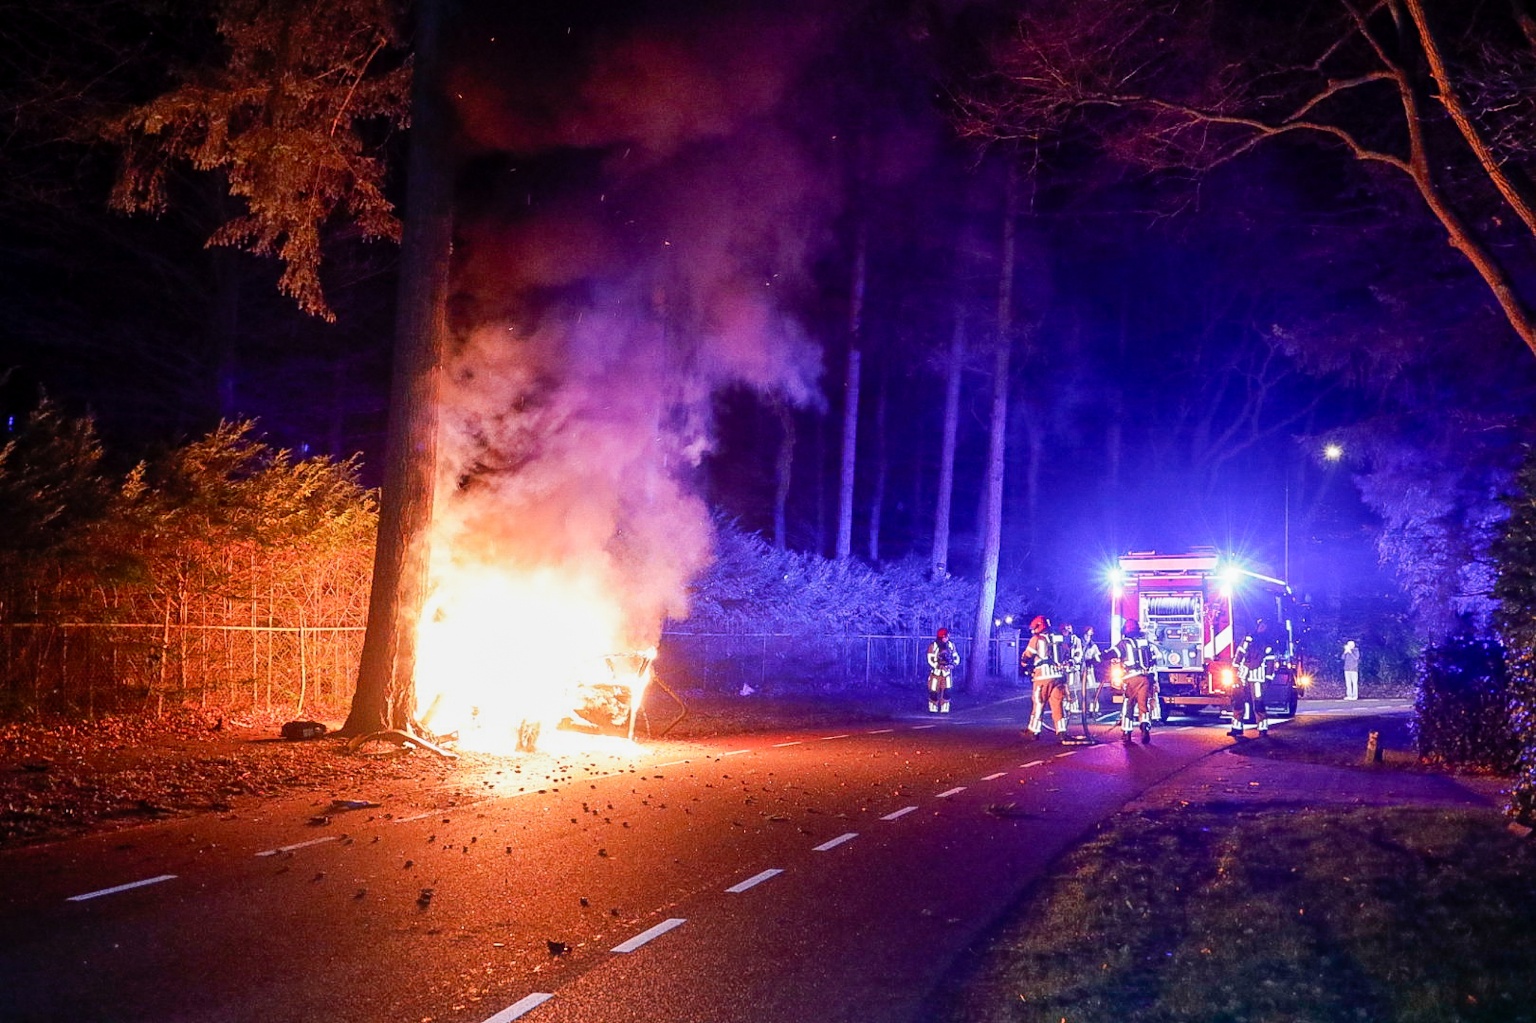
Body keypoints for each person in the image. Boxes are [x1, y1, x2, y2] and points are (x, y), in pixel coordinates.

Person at [1022, 615, 1069, 739]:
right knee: (1057, 704)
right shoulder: (1058, 638)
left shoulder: (1037, 639)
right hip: (1059, 677)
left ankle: (1033, 731)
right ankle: (1061, 732)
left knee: (1039, 703)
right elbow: (1066, 653)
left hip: (1043, 678)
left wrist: (1024, 664)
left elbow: (1027, 655)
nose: (1032, 631)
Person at [1113, 619, 1157, 743]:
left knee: (1128, 704)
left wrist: (1095, 660)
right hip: (1145, 678)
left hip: (1130, 679)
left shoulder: (1124, 643)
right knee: (1143, 705)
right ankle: (1145, 727)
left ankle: (1127, 733)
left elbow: (1112, 653)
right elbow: (1154, 660)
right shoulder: (1145, 643)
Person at [1229, 626, 1273, 738]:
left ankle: (1262, 729)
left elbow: (1270, 663)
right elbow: (1239, 653)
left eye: (1264, 626)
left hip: (1257, 678)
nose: (1262, 628)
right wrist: (1235, 669)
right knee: (1238, 701)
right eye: (1260, 626)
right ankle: (1236, 728)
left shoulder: (1268, 643)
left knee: (1258, 703)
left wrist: (1268, 679)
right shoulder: (1248, 639)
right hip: (1243, 675)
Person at [926, 627, 960, 713]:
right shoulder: (933, 646)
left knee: (947, 690)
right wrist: (938, 665)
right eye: (946, 636)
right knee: (933, 690)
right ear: (942, 636)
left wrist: (953, 665)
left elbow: (956, 657)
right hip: (935, 673)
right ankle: (933, 707)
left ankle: (945, 708)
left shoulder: (951, 645)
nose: (947, 638)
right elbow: (930, 659)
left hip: (947, 673)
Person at [1060, 622, 1086, 714]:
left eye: (1067, 630)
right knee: (1061, 688)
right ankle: (1064, 706)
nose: (1065, 632)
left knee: (1072, 687)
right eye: (1064, 630)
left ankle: (1073, 706)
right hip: (1061, 669)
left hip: (1072, 669)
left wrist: (1072, 661)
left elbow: (1079, 653)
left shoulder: (1076, 640)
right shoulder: (1059, 640)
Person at [1080, 625, 1104, 713]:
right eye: (1090, 631)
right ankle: (1076, 708)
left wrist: (1102, 659)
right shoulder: (1078, 643)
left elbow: (1097, 657)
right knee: (1074, 688)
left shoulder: (1093, 645)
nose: (1091, 632)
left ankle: (1093, 708)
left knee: (1091, 688)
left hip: (1089, 669)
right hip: (1078, 669)